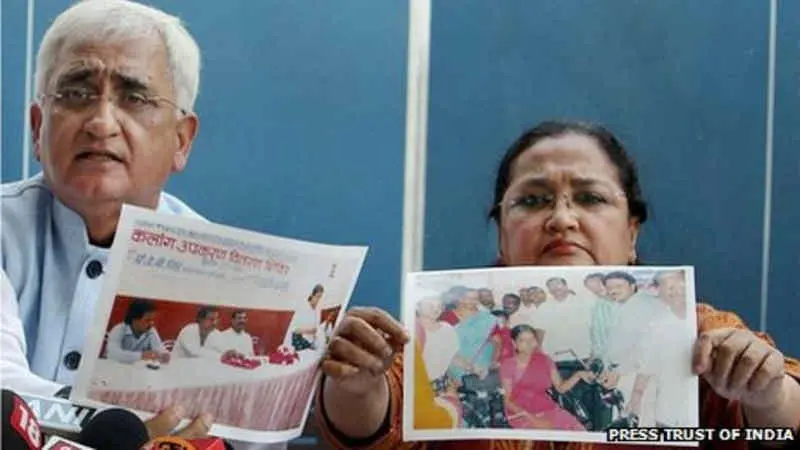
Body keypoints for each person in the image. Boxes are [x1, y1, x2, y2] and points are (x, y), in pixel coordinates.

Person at [315, 120, 800, 449]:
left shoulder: (695, 332)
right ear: (502, 234)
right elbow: (369, 425)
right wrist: (358, 387)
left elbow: (783, 422)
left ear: (632, 231)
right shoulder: (449, 324)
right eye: (532, 201)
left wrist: (767, 393)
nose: (562, 218)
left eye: (590, 198)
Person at [0, 0, 213, 439]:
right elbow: (4, 395)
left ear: (181, 140)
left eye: (134, 98)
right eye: (76, 93)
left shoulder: (216, 266)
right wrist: (123, 431)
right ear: (38, 128)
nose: (101, 123)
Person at [500, 324, 589, 431]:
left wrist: (578, 375)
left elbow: (561, 388)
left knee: (580, 431)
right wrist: (532, 419)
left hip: (546, 408)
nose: (528, 344)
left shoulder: (545, 360)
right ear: (514, 344)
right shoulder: (508, 365)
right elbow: (508, 401)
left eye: (531, 339)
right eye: (522, 340)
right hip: (520, 414)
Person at [105, 298, 170, 364]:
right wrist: (141, 356)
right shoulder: (119, 329)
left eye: (153, 320)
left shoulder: (151, 331)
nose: (152, 323)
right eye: (148, 320)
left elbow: (159, 349)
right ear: (134, 319)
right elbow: (113, 354)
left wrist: (164, 354)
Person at [173, 307, 238, 359]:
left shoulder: (216, 333)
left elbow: (223, 349)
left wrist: (231, 353)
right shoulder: (189, 330)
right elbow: (194, 352)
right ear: (200, 319)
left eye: (217, 319)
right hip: (179, 366)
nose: (215, 323)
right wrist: (221, 356)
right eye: (211, 319)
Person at [283, 284, 325, 351]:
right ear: (312, 295)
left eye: (320, 297)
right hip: (298, 340)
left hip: (310, 341)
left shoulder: (318, 310)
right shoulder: (303, 307)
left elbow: (317, 328)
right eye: (317, 297)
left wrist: (316, 335)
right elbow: (295, 330)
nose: (318, 300)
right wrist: (309, 331)